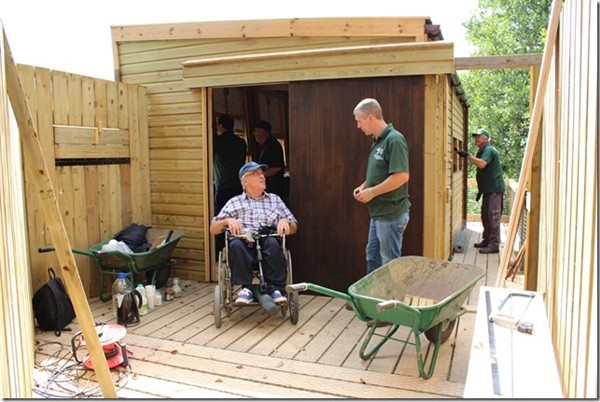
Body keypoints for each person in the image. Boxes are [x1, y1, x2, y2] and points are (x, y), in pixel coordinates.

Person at [352, 99, 410, 326]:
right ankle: (371, 302)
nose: (358, 126)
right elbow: (382, 171)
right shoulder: (377, 141)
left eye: (358, 121)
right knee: (373, 257)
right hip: (378, 214)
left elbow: (402, 176)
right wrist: (365, 186)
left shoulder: (395, 140)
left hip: (391, 214)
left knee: (389, 263)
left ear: (370, 117)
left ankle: (390, 312)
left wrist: (373, 192)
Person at [209, 161, 298, 305]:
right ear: (245, 181)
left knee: (273, 243)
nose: (262, 176)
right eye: (256, 174)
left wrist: (285, 221)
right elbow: (213, 228)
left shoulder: (275, 200)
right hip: (245, 242)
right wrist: (227, 221)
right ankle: (247, 288)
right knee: (236, 244)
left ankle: (275, 288)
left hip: (267, 239)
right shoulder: (234, 202)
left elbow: (294, 227)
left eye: (261, 173)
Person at [455, 128, 505, 254]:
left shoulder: (489, 150)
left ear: (487, 138)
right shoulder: (481, 151)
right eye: (475, 137)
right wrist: (468, 156)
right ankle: (487, 240)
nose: (476, 138)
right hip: (488, 191)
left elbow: (482, 164)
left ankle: (494, 245)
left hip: (495, 189)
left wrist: (468, 156)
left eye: (479, 136)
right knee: (485, 216)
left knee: (493, 217)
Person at [213, 114, 247, 253]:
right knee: (238, 218)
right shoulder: (241, 142)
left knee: (221, 219)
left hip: (223, 187)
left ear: (221, 126)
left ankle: (221, 249)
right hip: (239, 187)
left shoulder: (217, 141)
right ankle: (239, 247)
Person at [252, 120, 285, 198]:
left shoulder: (272, 145)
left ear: (261, 131)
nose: (254, 133)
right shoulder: (266, 145)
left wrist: (258, 176)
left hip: (273, 187)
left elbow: (276, 168)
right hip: (268, 186)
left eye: (255, 131)